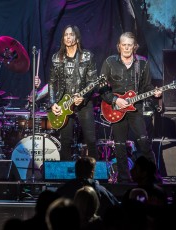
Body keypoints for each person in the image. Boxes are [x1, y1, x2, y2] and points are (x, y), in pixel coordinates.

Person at [99, 32, 162, 183]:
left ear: (134, 47)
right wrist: (115, 100)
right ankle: (123, 179)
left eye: (130, 45)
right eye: (124, 45)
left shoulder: (143, 63)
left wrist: (155, 93)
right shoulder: (109, 62)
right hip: (116, 108)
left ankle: (153, 177)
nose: (127, 48)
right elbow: (101, 87)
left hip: (136, 109)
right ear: (119, 46)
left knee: (144, 142)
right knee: (119, 146)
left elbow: (146, 86)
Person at [47, 25, 99, 161]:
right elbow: (52, 82)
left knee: (91, 140)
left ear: (77, 38)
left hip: (83, 102)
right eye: (65, 35)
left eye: (71, 34)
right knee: (65, 141)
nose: (68, 37)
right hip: (63, 103)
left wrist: (83, 96)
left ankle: (95, 174)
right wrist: (53, 103)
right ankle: (66, 176)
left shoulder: (87, 56)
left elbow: (93, 82)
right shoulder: (56, 58)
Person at [56, 156, 120, 216]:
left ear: (76, 172)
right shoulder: (101, 191)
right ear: (92, 173)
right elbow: (116, 210)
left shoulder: (64, 190)